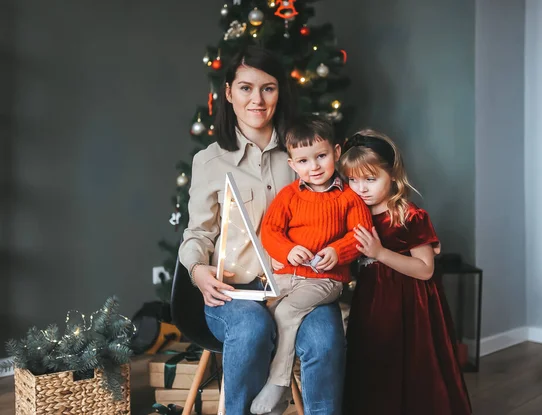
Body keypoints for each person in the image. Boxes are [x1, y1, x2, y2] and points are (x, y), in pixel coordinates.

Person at [178, 47, 346, 415]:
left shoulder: (304, 154)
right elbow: (198, 235)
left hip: (301, 284)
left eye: (268, 88)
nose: (257, 99)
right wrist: (197, 269)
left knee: (325, 341)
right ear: (228, 92)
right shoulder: (209, 161)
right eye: (245, 88)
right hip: (235, 294)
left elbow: (342, 209)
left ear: (279, 92)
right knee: (252, 330)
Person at [339, 130, 472, 415]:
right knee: (375, 361)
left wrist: (380, 253)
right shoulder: (354, 214)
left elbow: (425, 270)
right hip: (372, 302)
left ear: (393, 175)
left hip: (412, 305)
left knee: (414, 365)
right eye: (353, 180)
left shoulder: (409, 215)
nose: (360, 188)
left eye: (370, 179)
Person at [250, 116, 373, 414]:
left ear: (336, 152)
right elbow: (270, 231)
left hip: (325, 280)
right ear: (293, 165)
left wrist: (338, 250)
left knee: (289, 310)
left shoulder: (349, 198)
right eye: (304, 161)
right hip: (286, 274)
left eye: (321, 156)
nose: (314, 166)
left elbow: (362, 235)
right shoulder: (289, 196)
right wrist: (288, 250)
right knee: (267, 314)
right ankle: (276, 387)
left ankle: (278, 386)